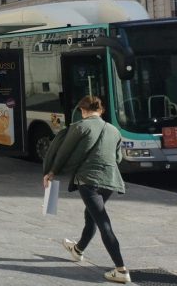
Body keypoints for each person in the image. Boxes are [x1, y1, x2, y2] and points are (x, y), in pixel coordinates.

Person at [42, 95, 129, 284]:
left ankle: (121, 269)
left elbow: (64, 152)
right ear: (101, 110)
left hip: (89, 181)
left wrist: (52, 172)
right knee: (92, 216)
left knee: (103, 222)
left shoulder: (80, 127)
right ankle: (78, 250)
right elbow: (118, 159)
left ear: (82, 110)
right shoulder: (114, 130)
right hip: (110, 182)